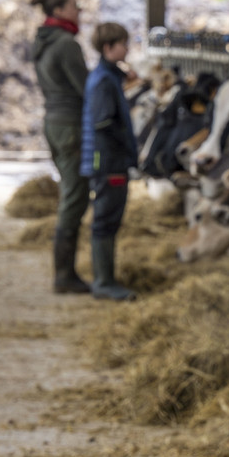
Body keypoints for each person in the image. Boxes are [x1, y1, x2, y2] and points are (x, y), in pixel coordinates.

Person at [28, 0, 92, 294]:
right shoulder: (66, 44)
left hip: (53, 121)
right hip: (71, 124)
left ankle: (65, 272)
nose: (79, 11)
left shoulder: (43, 41)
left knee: (70, 190)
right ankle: (64, 275)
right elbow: (86, 88)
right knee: (74, 196)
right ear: (60, 11)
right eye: (74, 7)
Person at [80, 22, 138, 301]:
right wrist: (127, 147)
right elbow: (104, 122)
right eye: (122, 44)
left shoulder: (107, 76)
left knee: (107, 219)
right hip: (108, 161)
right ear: (108, 48)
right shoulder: (104, 80)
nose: (127, 48)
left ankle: (106, 278)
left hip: (107, 159)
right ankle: (104, 281)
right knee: (105, 219)